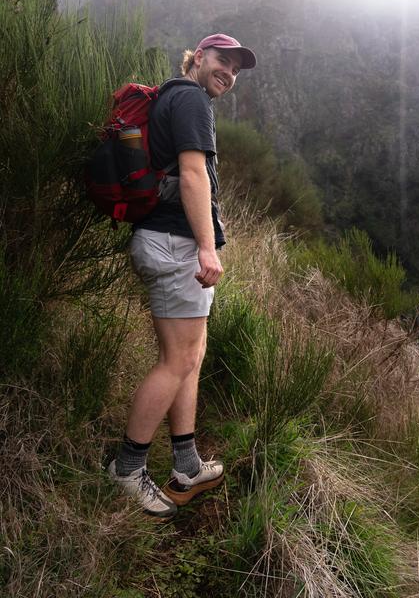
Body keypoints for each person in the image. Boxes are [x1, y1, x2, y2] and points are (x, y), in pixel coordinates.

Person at [108, 33, 257, 519]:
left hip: (171, 243)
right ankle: (127, 470)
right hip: (175, 246)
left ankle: (186, 465)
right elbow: (193, 175)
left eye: (236, 69)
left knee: (191, 356)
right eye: (222, 61)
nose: (228, 73)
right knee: (176, 360)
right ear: (198, 57)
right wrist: (208, 250)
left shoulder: (173, 95)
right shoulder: (192, 99)